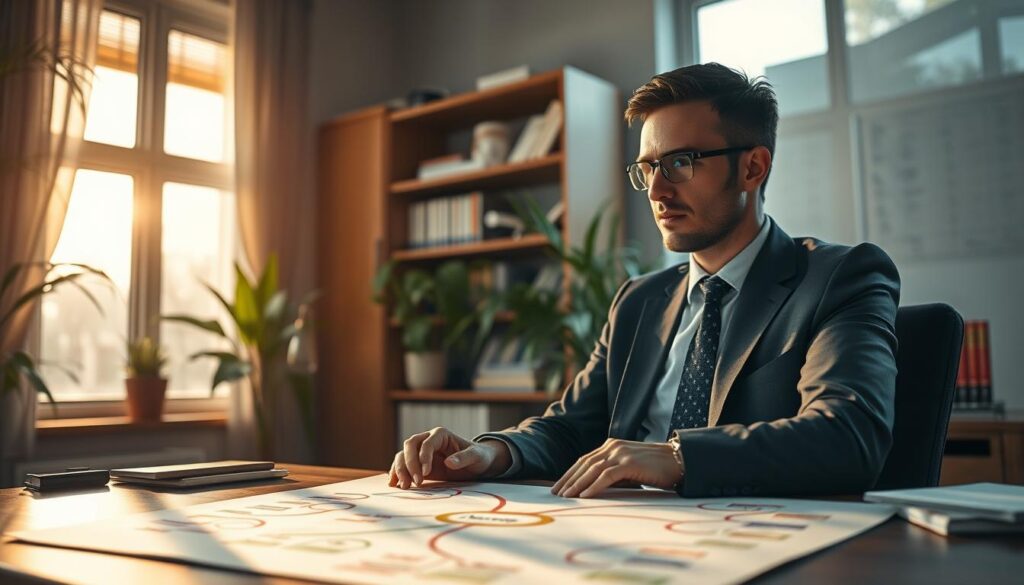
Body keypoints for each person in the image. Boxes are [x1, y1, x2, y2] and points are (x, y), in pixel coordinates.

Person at [388, 63, 899, 498]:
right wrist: (489, 452)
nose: (656, 189)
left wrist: (678, 457)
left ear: (753, 168)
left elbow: (846, 436)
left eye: (680, 163)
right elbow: (570, 427)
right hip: (622, 540)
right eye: (647, 167)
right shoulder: (638, 300)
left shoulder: (839, 278)